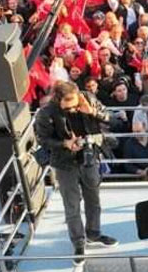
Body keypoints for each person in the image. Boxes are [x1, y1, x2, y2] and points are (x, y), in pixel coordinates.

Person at [34, 81, 117, 261]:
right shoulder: (46, 113)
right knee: (72, 205)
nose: (73, 110)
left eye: (75, 105)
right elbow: (43, 140)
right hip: (64, 164)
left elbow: (111, 118)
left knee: (93, 199)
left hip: (90, 157)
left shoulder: (88, 99)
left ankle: (94, 233)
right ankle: (78, 242)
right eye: (68, 107)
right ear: (58, 100)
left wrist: (92, 112)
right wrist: (65, 143)